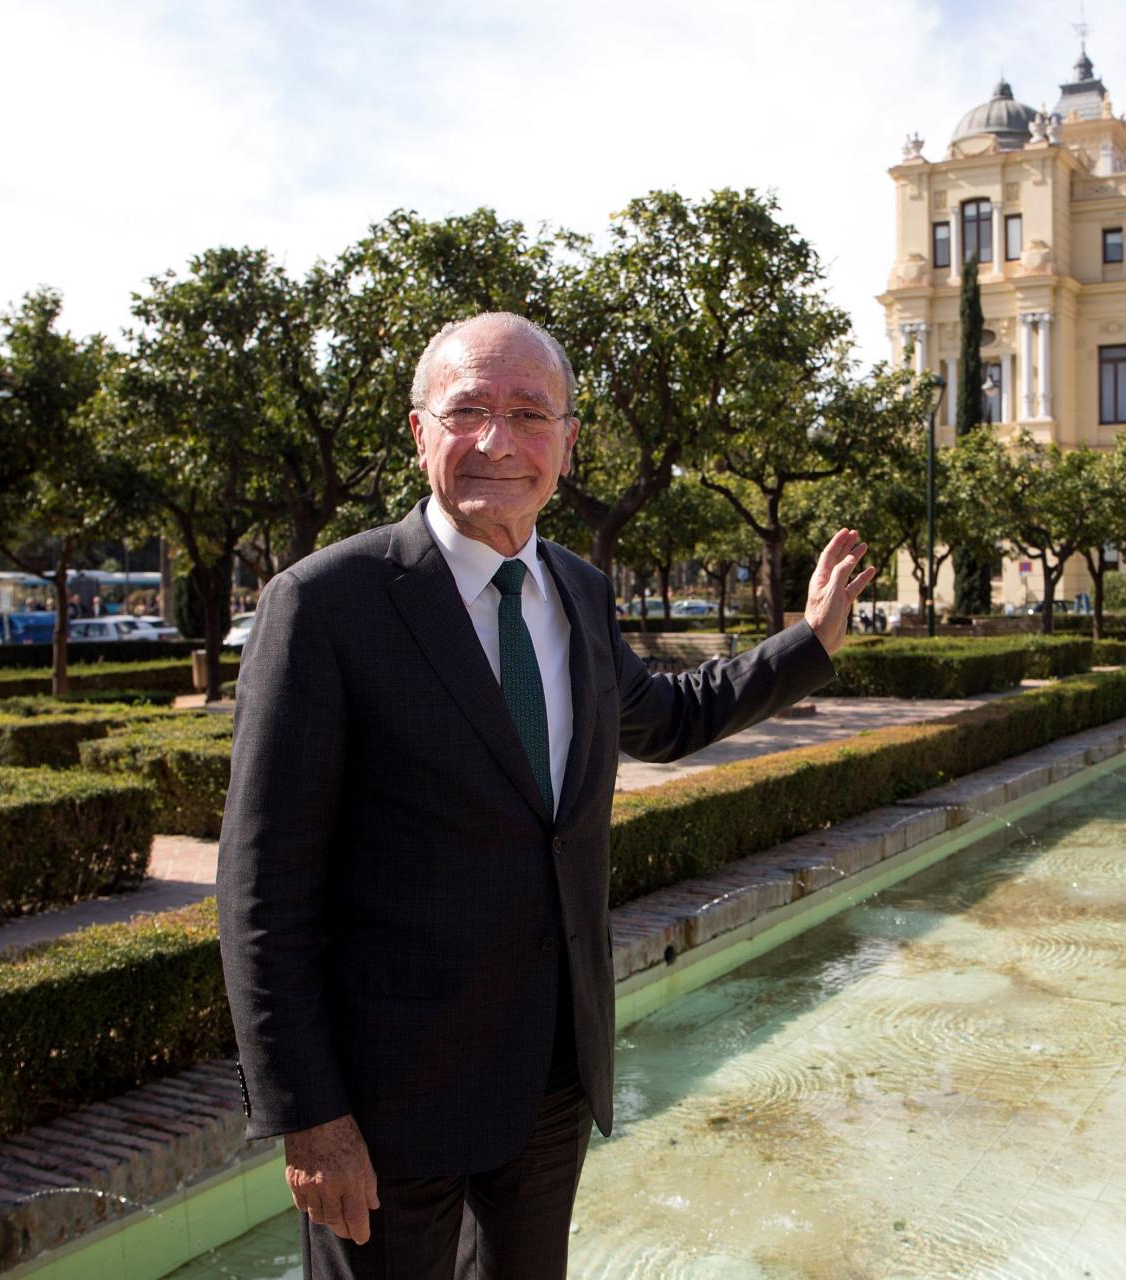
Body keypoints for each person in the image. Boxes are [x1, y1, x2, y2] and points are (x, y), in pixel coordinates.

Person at [217, 313, 875, 1280]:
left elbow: (668, 715)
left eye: (530, 413)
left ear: (569, 441)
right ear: (418, 432)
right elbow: (261, 889)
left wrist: (808, 643)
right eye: (468, 410)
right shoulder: (325, 604)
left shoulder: (576, 588)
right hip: (387, 1098)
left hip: (550, 1073)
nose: (498, 440)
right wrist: (309, 1115)